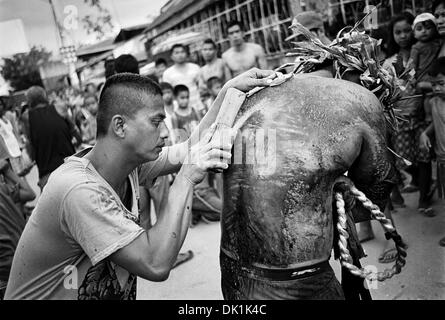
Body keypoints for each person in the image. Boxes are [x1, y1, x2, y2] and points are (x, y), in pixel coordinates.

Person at [4, 69, 275, 300]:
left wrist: (227, 92)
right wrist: (186, 178)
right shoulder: (80, 190)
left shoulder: (127, 163)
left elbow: (190, 148)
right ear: (120, 127)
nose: (166, 132)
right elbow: (155, 263)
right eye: (156, 122)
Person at [171, 84, 222, 226]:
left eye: (187, 97)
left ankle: (201, 210)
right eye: (182, 98)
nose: (185, 101)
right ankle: (195, 207)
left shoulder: (193, 110)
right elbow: (177, 137)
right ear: (176, 99)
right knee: (197, 185)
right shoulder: (175, 117)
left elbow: (203, 126)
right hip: (188, 149)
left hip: (200, 146)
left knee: (209, 177)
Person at [21, 86, 78, 191]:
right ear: (44, 96)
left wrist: (32, 160)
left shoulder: (27, 117)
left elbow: (30, 147)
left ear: (29, 101)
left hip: (47, 174)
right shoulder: (60, 108)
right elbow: (75, 132)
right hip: (71, 166)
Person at [419, 57, 445, 246]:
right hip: (441, 158)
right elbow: (434, 125)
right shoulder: (434, 102)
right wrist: (424, 134)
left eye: (441, 84)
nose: (436, 88)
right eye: (434, 84)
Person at [410, 13, 442, 123]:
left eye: (428, 28)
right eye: (419, 29)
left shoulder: (438, 43)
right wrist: (412, 77)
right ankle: (427, 118)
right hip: (423, 78)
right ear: (414, 33)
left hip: (436, 77)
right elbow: (411, 65)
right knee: (426, 98)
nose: (424, 31)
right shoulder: (416, 47)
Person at [162, 44, 203, 114]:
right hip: (180, 111)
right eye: (177, 53)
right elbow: (168, 93)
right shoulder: (167, 73)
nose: (180, 55)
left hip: (198, 107)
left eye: (182, 52)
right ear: (171, 56)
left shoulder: (195, 68)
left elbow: (201, 87)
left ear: (186, 54)